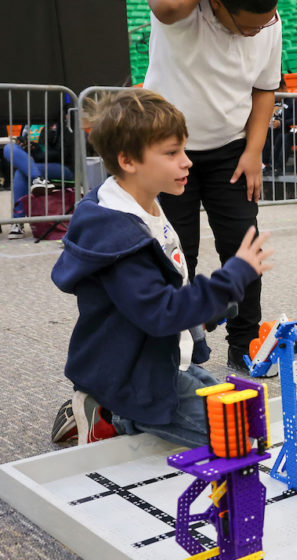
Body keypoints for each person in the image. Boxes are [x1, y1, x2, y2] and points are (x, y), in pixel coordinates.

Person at [50, 90, 273, 446]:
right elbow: (161, 312)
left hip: (162, 355)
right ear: (128, 160)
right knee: (236, 437)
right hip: (134, 373)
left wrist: (214, 308)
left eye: (184, 150)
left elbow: (169, 291)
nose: (187, 162)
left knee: (243, 413)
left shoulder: (147, 205)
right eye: (172, 153)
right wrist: (230, 280)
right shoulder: (118, 236)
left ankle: (119, 407)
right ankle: (112, 415)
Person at [145, 0, 281, 374]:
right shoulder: (181, 12)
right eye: (249, 27)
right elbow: (167, 7)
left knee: (243, 248)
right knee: (174, 255)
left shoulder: (269, 22)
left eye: (263, 25)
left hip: (232, 152)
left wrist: (253, 152)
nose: (258, 32)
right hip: (169, 149)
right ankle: (174, 349)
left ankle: (244, 345)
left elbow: (264, 88)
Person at [1, 120, 74, 239]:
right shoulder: (29, 123)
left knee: (21, 172)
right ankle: (38, 179)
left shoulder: (64, 123)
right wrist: (27, 145)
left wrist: (36, 151)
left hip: (62, 167)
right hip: (37, 164)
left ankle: (17, 220)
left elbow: (63, 154)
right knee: (9, 148)